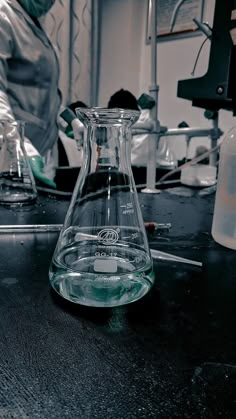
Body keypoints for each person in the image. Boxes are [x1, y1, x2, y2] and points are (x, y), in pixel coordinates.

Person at [0, 0, 61, 187]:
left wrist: (68, 119)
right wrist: (20, 149)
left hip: (40, 151)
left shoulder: (34, 22)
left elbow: (42, 90)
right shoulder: (3, 15)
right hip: (10, 157)